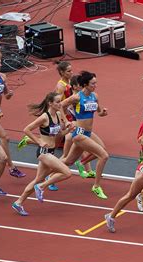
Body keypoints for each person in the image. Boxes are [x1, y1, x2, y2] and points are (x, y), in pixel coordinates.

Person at [11, 92, 72, 215]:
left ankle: (18, 203)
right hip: (43, 153)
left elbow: (58, 134)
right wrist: (38, 141)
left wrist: (68, 130)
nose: (60, 104)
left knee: (37, 179)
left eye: (60, 101)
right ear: (50, 103)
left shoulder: (59, 115)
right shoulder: (45, 117)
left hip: (51, 151)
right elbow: (26, 129)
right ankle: (42, 186)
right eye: (57, 102)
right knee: (67, 173)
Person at [60, 71, 109, 199]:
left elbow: (99, 113)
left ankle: (47, 173)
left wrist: (104, 112)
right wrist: (66, 121)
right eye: (93, 83)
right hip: (79, 133)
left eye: (96, 83)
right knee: (103, 156)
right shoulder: (77, 97)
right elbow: (60, 106)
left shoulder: (95, 96)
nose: (95, 85)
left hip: (88, 133)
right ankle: (96, 186)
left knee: (68, 161)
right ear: (85, 84)